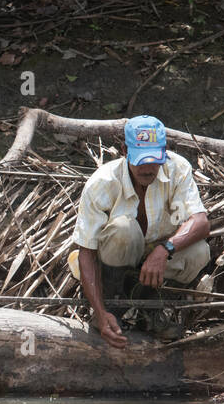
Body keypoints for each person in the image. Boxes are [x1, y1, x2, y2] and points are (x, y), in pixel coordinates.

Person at [68, 115, 211, 347]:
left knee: (199, 251)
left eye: (154, 160)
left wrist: (164, 250)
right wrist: (100, 312)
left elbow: (201, 222)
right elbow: (86, 251)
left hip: (157, 260)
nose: (148, 168)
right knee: (125, 229)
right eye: (141, 160)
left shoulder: (178, 168)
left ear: (164, 151)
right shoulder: (102, 182)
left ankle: (151, 307)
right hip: (113, 263)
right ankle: (111, 308)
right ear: (125, 150)